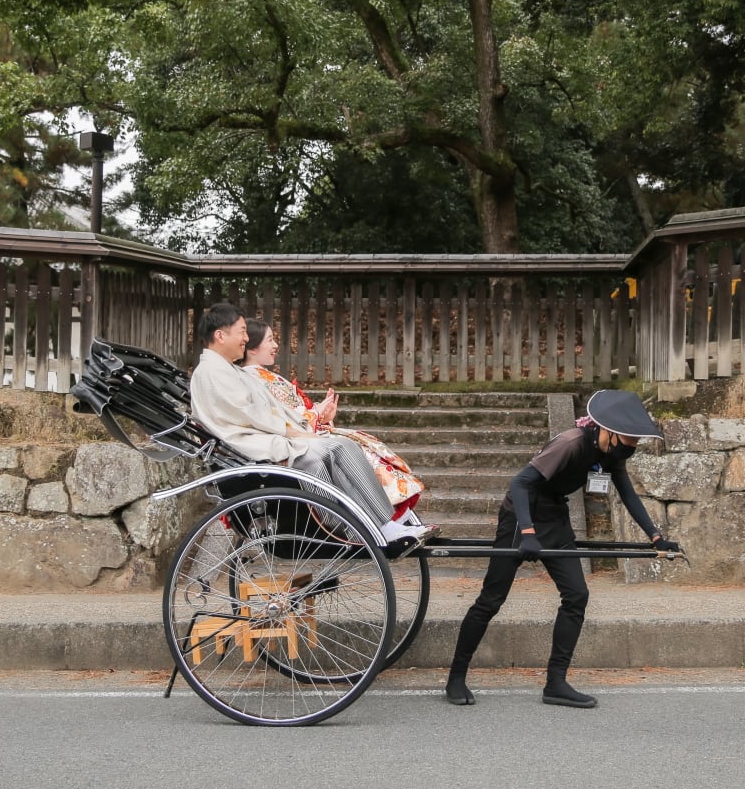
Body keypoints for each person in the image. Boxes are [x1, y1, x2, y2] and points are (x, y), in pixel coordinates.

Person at [445, 389, 680, 709]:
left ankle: (556, 683)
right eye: (630, 441)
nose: (632, 448)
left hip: (554, 516)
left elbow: (626, 492)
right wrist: (527, 532)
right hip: (521, 515)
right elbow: (520, 483)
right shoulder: (570, 443)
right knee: (491, 599)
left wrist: (655, 536)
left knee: (577, 595)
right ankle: (456, 677)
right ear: (609, 431)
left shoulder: (610, 451)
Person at [189, 302, 421, 544]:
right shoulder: (210, 373)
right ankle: (373, 526)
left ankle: (378, 524)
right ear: (220, 335)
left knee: (339, 448)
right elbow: (248, 415)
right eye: (242, 332)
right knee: (339, 447)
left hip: (266, 438)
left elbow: (268, 410)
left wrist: (302, 425)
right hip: (252, 446)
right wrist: (296, 433)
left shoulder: (227, 371)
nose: (246, 338)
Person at [240, 318, 424, 517]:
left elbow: (291, 413)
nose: (276, 345)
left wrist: (322, 415)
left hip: (304, 434)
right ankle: (379, 518)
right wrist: (317, 413)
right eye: (269, 340)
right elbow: (281, 420)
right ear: (252, 348)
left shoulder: (261, 376)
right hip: (294, 441)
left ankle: (381, 518)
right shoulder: (255, 378)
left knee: (357, 446)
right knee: (354, 450)